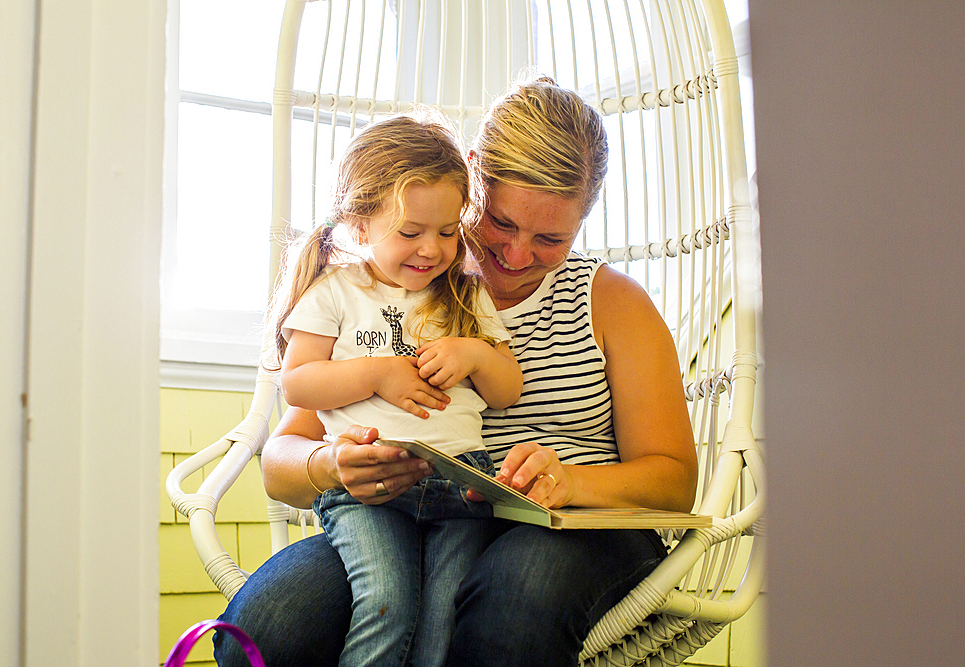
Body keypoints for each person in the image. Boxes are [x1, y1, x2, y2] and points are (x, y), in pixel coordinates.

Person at [214, 78, 698, 667]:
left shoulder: (613, 303)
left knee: (507, 607)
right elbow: (282, 459)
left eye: (552, 238)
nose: (518, 256)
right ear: (473, 177)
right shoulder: (398, 285)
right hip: (399, 514)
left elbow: (673, 478)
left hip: (578, 526)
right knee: (268, 627)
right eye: (500, 223)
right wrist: (333, 466)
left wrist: (573, 481)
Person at [264, 112, 523, 667]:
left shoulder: (464, 295)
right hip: (369, 489)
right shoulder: (338, 292)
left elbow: (506, 391)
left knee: (442, 618)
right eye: (410, 233)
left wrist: (475, 353)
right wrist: (378, 371)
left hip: (462, 484)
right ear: (360, 226)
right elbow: (299, 382)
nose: (431, 249)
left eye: (448, 232)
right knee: (386, 603)